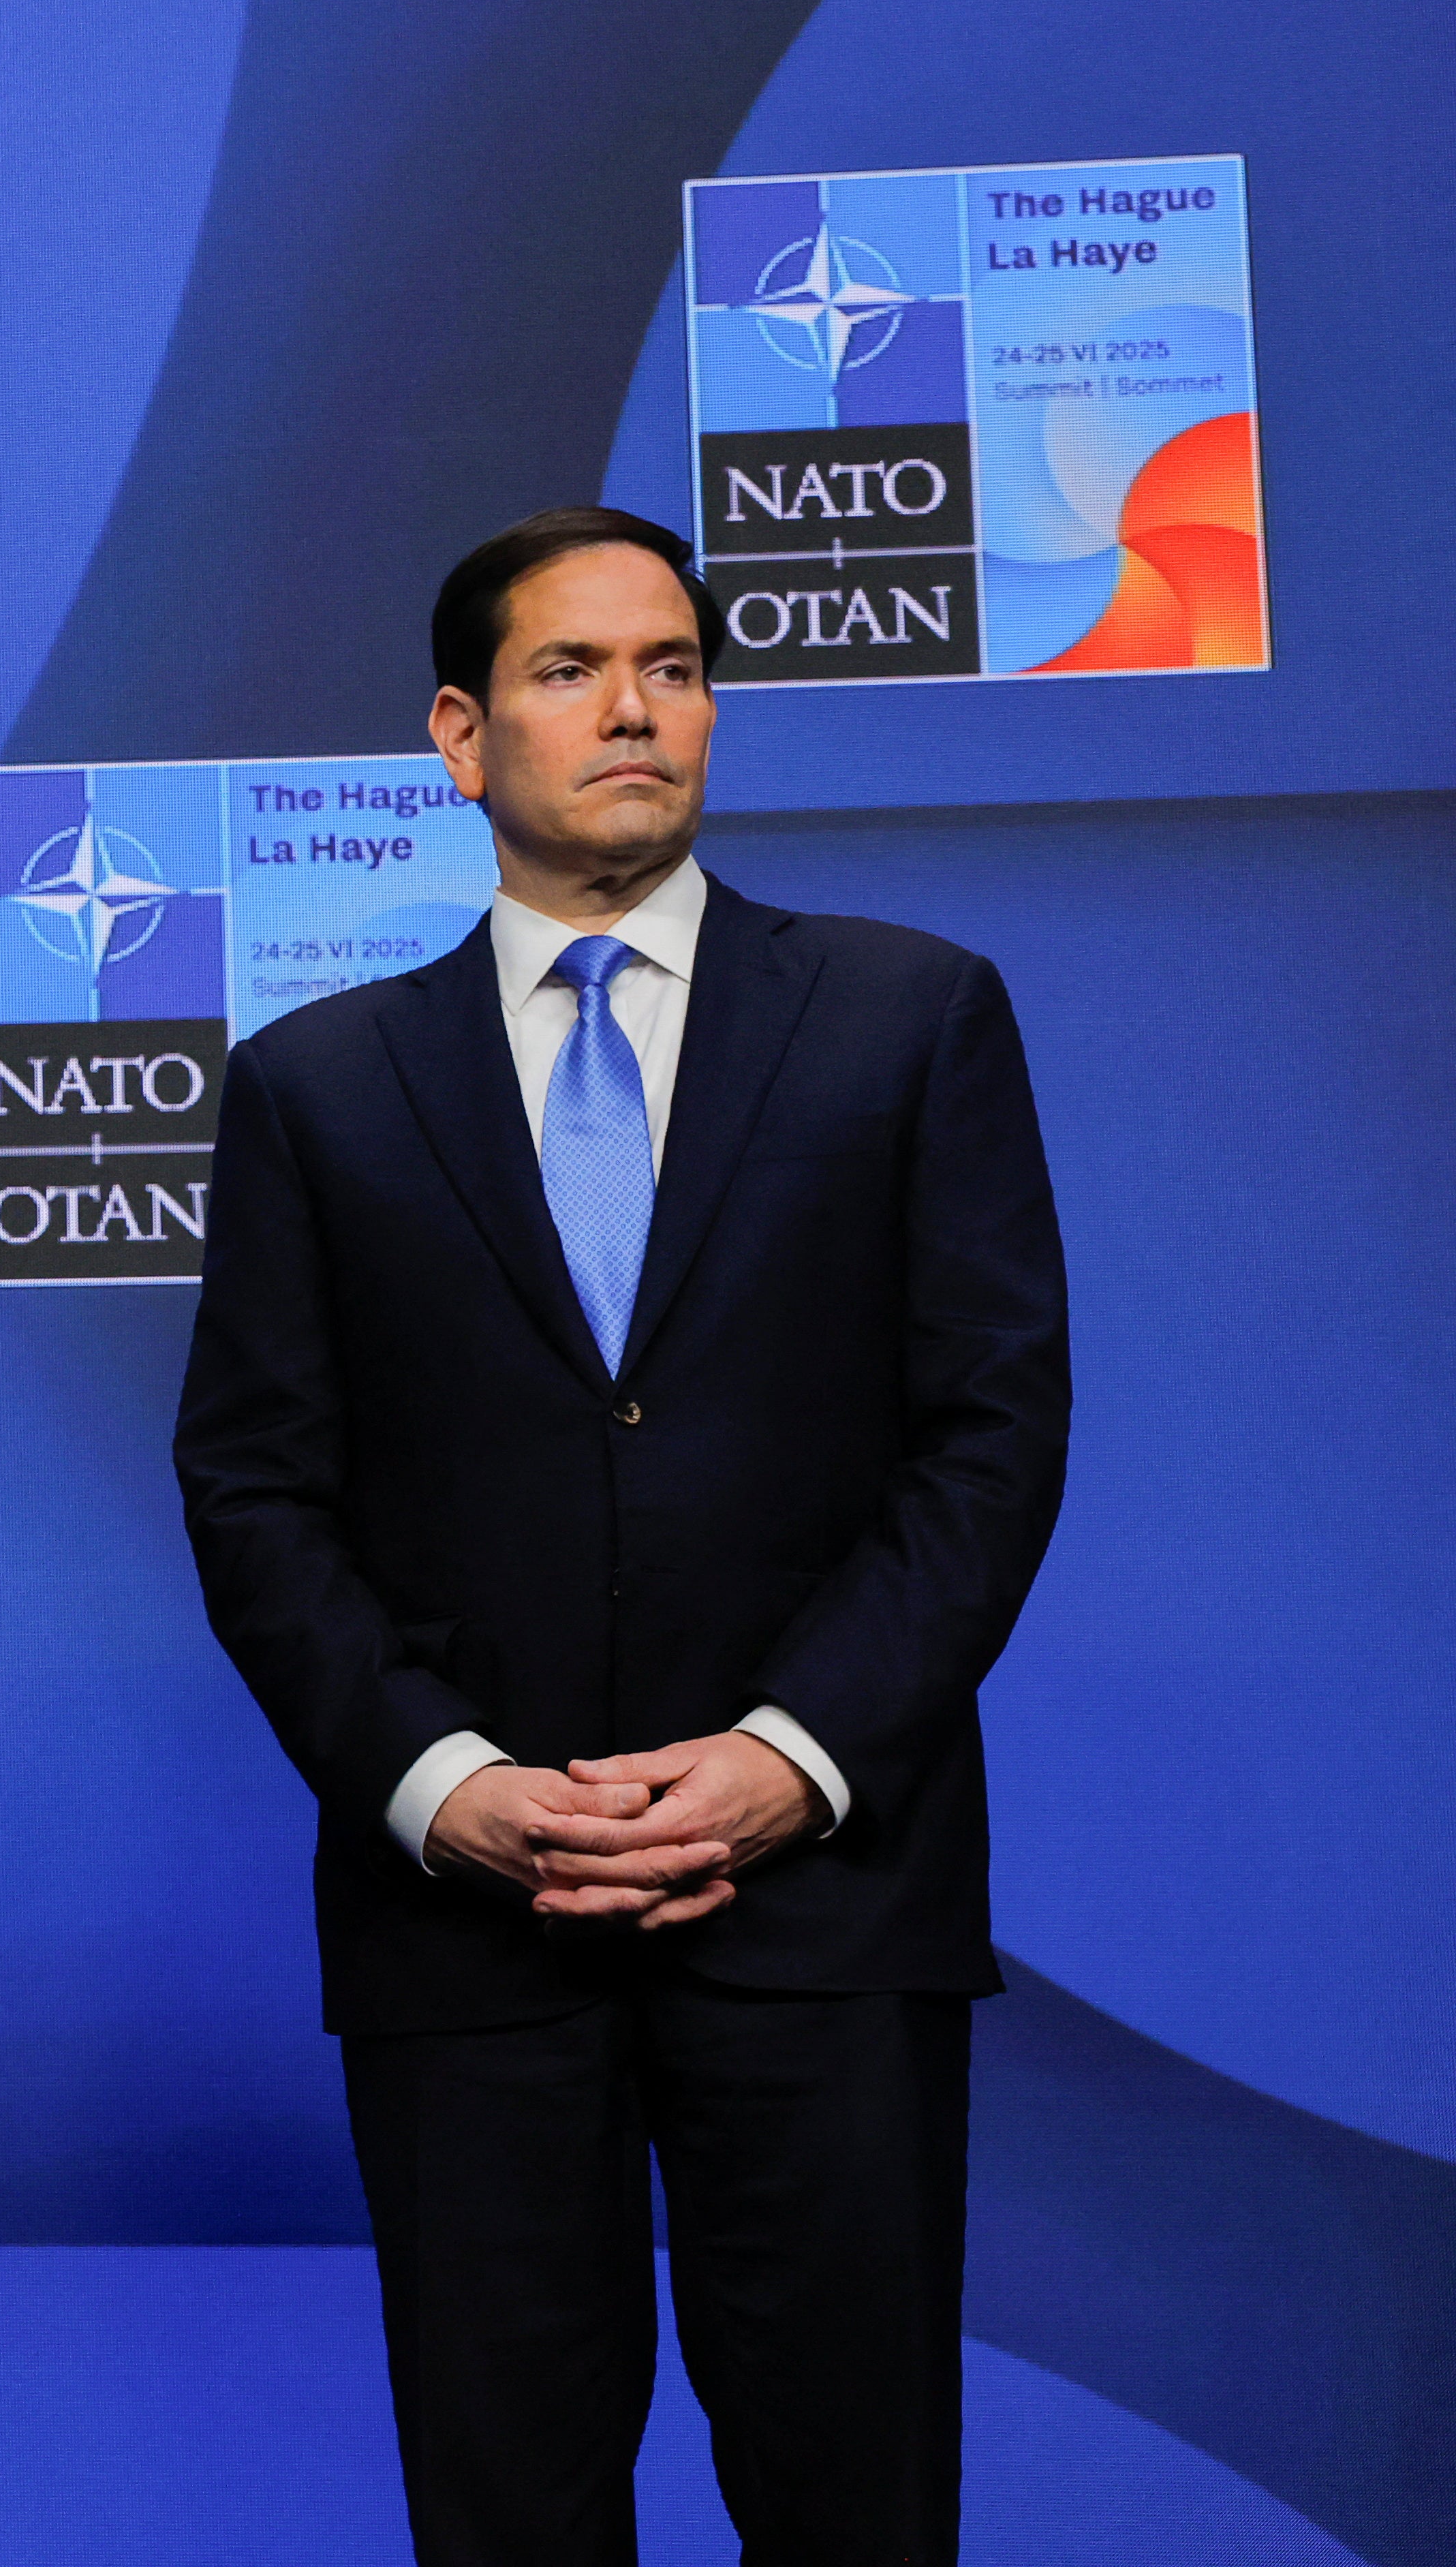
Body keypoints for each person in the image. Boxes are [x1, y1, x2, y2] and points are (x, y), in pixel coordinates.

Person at [171, 508, 1070, 2564]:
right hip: (473, 1934)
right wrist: (445, 1786)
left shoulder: (911, 1018)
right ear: (459, 736)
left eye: (670, 665)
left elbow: (993, 1438)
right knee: (511, 2514)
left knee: (857, 2507)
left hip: (830, 1913)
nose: (635, 707)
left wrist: (791, 1761)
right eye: (572, 671)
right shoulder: (317, 1087)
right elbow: (254, 1489)